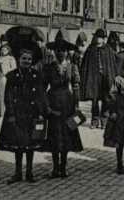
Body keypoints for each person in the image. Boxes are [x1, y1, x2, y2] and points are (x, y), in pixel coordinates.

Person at [0, 48, 48, 184]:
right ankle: (18, 173)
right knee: (18, 145)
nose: (26, 61)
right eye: (24, 59)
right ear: (18, 60)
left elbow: (40, 95)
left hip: (31, 114)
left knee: (30, 145)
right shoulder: (12, 76)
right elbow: (8, 96)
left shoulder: (37, 76)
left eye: (29, 59)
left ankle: (29, 173)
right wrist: (11, 114)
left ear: (32, 61)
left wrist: (40, 113)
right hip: (17, 114)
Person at [42, 40, 84, 179]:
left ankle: (63, 167)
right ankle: (55, 168)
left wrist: (76, 104)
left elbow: (76, 86)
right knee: (54, 136)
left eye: (63, 50)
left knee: (67, 135)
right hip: (53, 101)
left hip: (68, 102)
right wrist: (46, 105)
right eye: (58, 50)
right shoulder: (48, 67)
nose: (60, 53)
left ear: (67, 53)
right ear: (54, 52)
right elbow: (43, 88)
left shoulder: (73, 67)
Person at [80, 28, 120, 129]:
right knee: (94, 100)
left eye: (101, 38)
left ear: (103, 39)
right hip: (93, 78)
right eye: (97, 37)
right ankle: (94, 121)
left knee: (106, 99)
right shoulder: (90, 49)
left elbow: (112, 65)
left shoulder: (108, 49)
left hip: (105, 78)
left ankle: (104, 120)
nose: (98, 39)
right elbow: (85, 65)